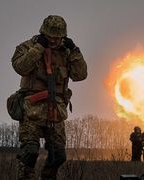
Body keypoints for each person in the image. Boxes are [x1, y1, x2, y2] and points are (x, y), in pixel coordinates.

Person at [11, 15, 87, 180]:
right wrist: (38, 48)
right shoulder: (28, 46)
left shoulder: (67, 51)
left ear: (63, 36)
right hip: (32, 109)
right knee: (29, 153)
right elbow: (20, 67)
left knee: (58, 156)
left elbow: (80, 75)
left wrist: (75, 51)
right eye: (50, 36)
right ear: (43, 32)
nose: (53, 40)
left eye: (57, 37)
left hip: (56, 110)